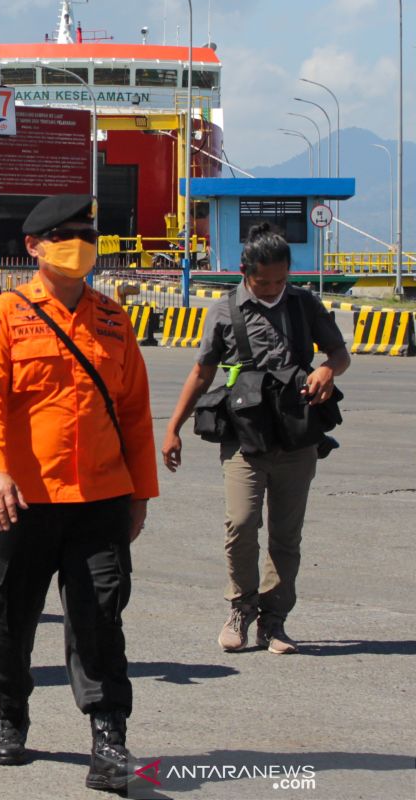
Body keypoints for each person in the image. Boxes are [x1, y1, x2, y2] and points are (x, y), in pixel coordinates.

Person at [0, 194, 158, 792]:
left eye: (87, 234)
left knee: (101, 615)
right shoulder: (3, 313)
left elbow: (134, 411)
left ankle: (109, 738)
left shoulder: (111, 317)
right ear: (34, 247)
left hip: (100, 498)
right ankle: (10, 713)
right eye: (64, 235)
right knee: (11, 616)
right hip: (23, 499)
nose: (79, 244)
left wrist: (140, 492)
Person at [162, 222, 349, 656]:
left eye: (280, 280)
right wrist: (172, 428)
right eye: (262, 281)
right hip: (245, 436)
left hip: (297, 437)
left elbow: (339, 353)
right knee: (242, 524)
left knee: (286, 535)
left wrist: (326, 369)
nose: (271, 289)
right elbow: (202, 371)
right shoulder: (227, 310)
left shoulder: (305, 304)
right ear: (245, 272)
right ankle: (240, 609)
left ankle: (275, 620)